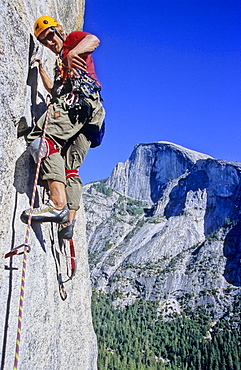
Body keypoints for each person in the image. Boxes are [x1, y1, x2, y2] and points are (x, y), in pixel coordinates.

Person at [21, 16, 105, 238]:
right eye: (43, 40)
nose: (48, 42)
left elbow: (93, 40)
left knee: (43, 139)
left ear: (58, 31)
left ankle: (58, 204)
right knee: (70, 167)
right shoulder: (60, 65)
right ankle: (69, 223)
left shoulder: (72, 42)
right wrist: (41, 69)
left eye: (49, 35)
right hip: (91, 116)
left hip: (78, 102)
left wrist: (73, 52)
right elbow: (54, 90)